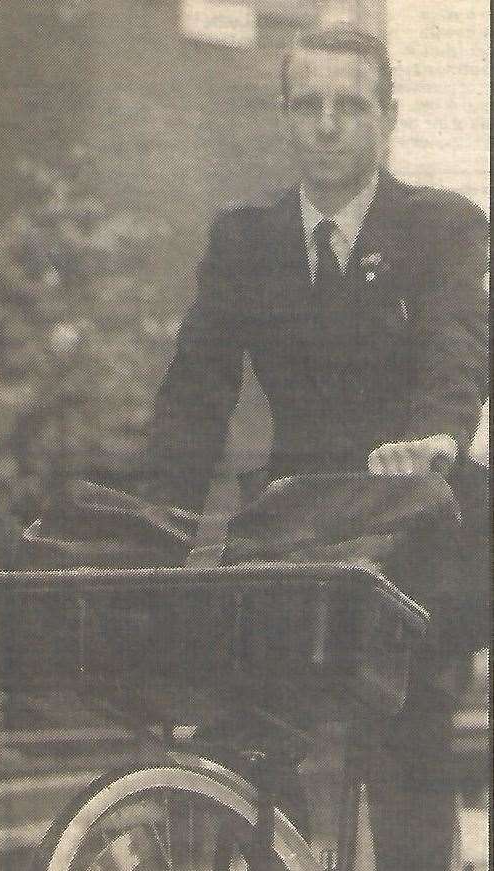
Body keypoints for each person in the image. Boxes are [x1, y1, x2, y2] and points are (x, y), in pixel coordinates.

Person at [147, 25, 488, 871]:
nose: (328, 124)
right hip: (297, 528)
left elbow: (458, 343)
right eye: (309, 105)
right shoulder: (245, 242)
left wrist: (436, 438)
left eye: (350, 105)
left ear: (388, 118)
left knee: (405, 738)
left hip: (412, 523)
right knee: (242, 731)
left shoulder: (438, 228)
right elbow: (196, 393)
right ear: (286, 117)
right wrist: (153, 520)